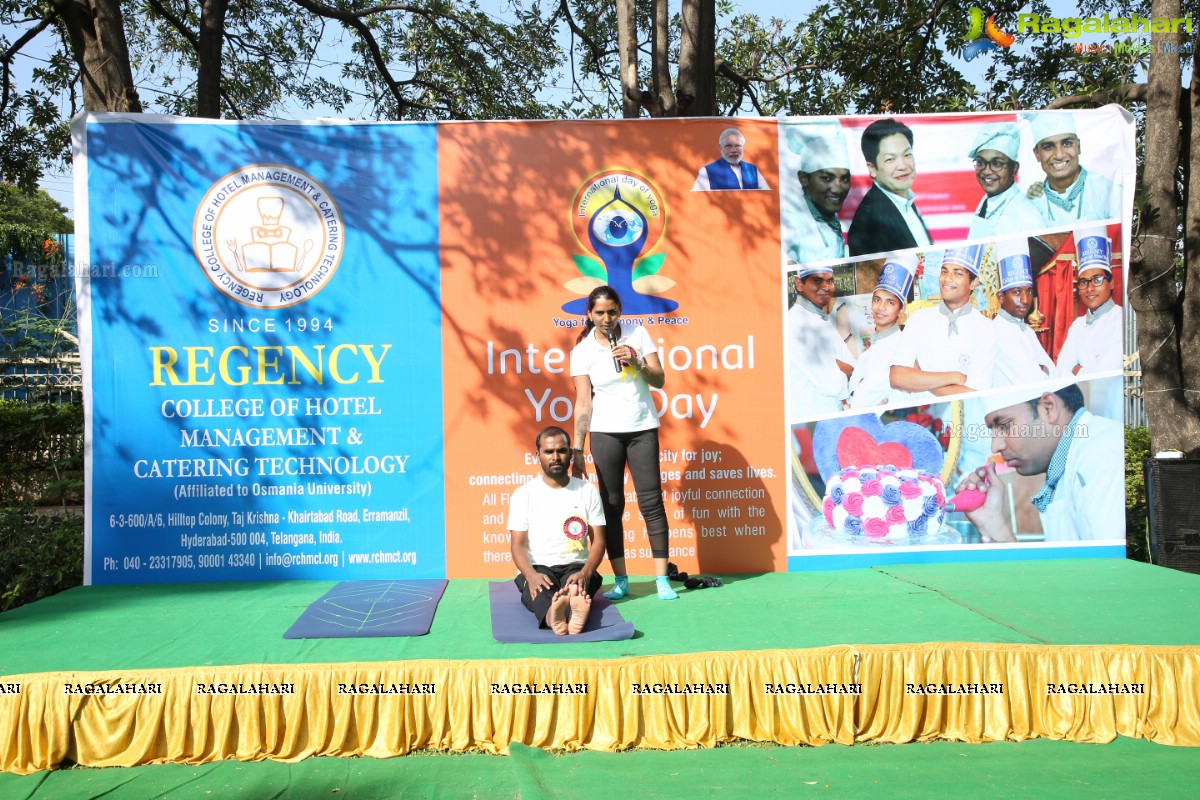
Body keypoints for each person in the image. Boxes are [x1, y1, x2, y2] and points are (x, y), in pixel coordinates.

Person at [569, 286, 677, 600]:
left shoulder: (638, 334)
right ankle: (622, 581)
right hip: (604, 433)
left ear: (620, 311)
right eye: (599, 313)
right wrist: (578, 447)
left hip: (642, 428)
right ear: (589, 314)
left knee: (651, 503)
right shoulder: (583, 351)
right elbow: (583, 403)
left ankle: (662, 581)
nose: (606, 319)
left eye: (612, 312)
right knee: (611, 506)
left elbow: (659, 379)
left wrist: (637, 361)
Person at [955, 382, 1124, 542]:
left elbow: (1112, 570)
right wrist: (992, 523)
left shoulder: (1103, 453)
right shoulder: (1066, 467)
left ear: (1048, 407)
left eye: (1004, 425)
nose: (995, 446)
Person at [508, 426, 608, 635]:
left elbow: (598, 540)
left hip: (576, 565)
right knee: (541, 590)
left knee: (578, 584)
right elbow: (517, 546)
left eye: (562, 451)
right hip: (539, 566)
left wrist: (586, 572)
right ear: (538, 456)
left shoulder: (587, 490)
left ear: (570, 454)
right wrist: (531, 575)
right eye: (549, 452)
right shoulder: (523, 494)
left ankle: (571, 603)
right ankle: (557, 613)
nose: (556, 457)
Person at [889, 245, 995, 402]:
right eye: (944, 271)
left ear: (973, 283)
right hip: (920, 415)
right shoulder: (919, 319)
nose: (947, 278)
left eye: (957, 273)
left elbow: (973, 393)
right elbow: (897, 377)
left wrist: (919, 379)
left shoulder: (985, 327)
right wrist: (955, 376)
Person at [1054, 226, 1124, 418]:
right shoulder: (1077, 324)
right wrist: (1084, 372)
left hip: (1112, 411)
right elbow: (1062, 370)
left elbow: (1105, 375)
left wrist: (1077, 369)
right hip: (1080, 412)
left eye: (1097, 280)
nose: (1090, 288)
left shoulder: (1122, 319)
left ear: (1111, 283)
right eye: (1083, 282)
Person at [848, 118, 932, 257]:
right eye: (890, 159)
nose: (903, 166)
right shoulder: (867, 223)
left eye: (907, 155)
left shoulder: (906, 201)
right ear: (873, 168)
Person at [1024, 112, 1123, 224]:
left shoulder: (1108, 191)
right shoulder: (1031, 203)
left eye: (1067, 143)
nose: (1059, 155)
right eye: (1049, 147)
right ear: (1037, 154)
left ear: (1078, 146)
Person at [847, 253, 915, 409]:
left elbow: (863, 400)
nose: (881, 308)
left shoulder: (899, 347)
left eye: (890, 302)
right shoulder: (875, 345)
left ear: (901, 309)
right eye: (877, 300)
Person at [787, 264, 854, 418]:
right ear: (799, 283)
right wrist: (844, 367)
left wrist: (837, 365)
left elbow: (852, 364)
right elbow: (833, 385)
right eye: (817, 281)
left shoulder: (821, 319)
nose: (825, 286)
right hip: (810, 418)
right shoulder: (797, 322)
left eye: (830, 281)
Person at [991, 237, 1055, 387]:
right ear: (1001, 297)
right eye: (1017, 292)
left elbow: (1053, 371)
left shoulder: (1026, 329)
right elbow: (1035, 381)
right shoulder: (998, 331)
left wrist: (1043, 370)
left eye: (1029, 291)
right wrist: (1041, 370)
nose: (1025, 300)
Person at [966, 122, 1045, 240]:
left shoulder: (1027, 217)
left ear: (1014, 168)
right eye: (980, 162)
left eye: (997, 163)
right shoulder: (988, 201)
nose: (986, 171)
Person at [784, 128, 852, 264]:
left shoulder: (830, 216)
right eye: (827, 178)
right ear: (803, 178)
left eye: (844, 179)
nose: (838, 189)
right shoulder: (789, 225)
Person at [693, 128, 770, 191]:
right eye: (728, 146)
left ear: (743, 147)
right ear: (721, 148)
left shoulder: (753, 170)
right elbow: (698, 200)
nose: (733, 150)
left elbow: (767, 195)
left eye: (738, 145)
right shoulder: (707, 171)